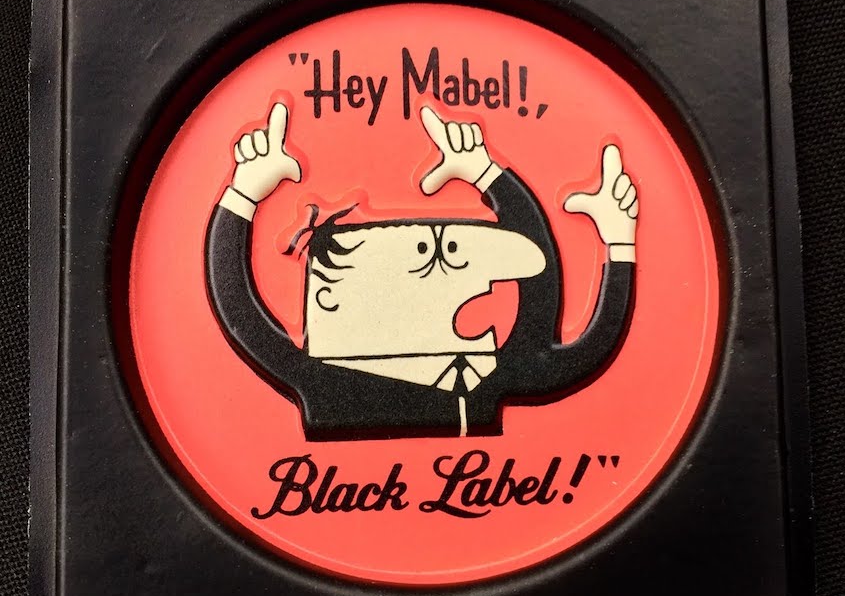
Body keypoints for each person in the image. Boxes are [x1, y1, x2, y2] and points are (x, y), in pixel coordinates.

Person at [206, 102, 638, 440]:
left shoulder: (485, 375)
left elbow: (540, 291)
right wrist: (244, 192)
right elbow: (239, 307)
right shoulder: (325, 380)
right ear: (327, 296)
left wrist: (618, 240)